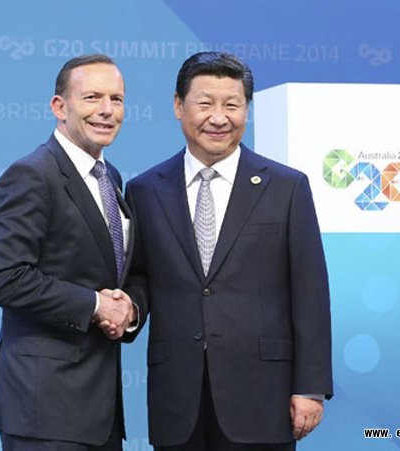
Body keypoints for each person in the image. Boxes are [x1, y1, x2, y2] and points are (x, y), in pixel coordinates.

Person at [124, 52, 333, 451]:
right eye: (205, 103)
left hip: (263, 397)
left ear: (246, 111)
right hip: (177, 399)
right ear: (178, 106)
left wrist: (311, 387)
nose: (218, 117)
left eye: (232, 105)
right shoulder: (145, 190)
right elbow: (139, 277)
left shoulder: (286, 188)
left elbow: (310, 291)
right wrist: (127, 310)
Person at [0, 54, 139, 451]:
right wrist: (95, 305)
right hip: (44, 408)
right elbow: (4, 278)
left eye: (116, 99)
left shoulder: (110, 177)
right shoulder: (32, 174)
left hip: (98, 409)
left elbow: (112, 274)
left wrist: (128, 308)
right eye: (92, 97)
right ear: (59, 107)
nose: (106, 110)